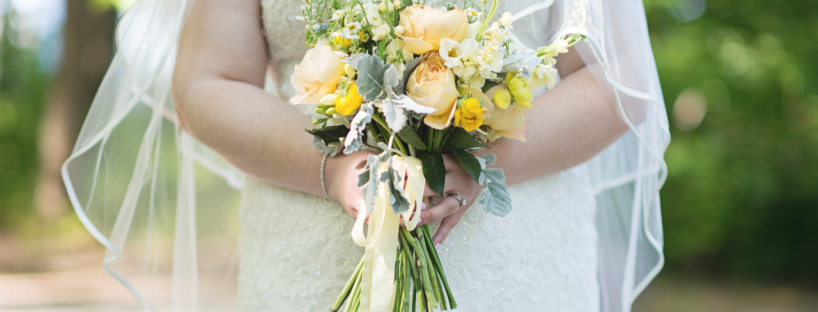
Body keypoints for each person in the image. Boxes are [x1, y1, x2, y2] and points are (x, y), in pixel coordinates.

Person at [63, 0, 669, 311]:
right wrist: (338, 167)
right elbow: (207, 81)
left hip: (516, 263)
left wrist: (477, 163)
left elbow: (618, 80)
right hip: (310, 252)